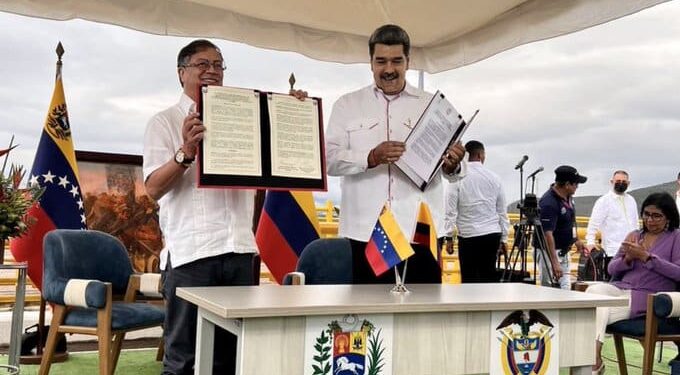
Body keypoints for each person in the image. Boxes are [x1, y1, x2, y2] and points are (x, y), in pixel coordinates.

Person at [143, 39, 306, 375]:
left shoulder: (246, 120)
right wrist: (185, 152)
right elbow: (153, 188)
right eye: (202, 64)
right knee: (183, 359)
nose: (212, 71)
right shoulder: (164, 122)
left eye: (218, 65)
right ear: (181, 73)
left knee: (233, 357)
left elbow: (283, 162)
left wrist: (291, 117)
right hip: (192, 254)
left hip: (240, 252)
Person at [325, 24, 465, 284]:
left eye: (396, 61)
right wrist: (370, 158)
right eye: (381, 61)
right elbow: (328, 161)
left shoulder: (432, 106)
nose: (389, 69)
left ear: (408, 62)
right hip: (365, 231)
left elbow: (458, 171)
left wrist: (453, 165)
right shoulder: (347, 105)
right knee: (369, 318)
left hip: (419, 231)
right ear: (370, 63)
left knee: (423, 317)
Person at [586, 192, 680, 374]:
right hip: (621, 289)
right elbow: (612, 270)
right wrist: (628, 258)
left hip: (650, 297)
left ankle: (594, 360)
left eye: (656, 216)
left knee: (593, 310)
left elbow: (678, 272)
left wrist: (647, 258)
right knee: (594, 290)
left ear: (668, 216)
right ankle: (594, 361)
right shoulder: (634, 235)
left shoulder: (676, 237)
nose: (650, 220)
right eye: (646, 214)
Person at [443, 140, 509, 283]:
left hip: (467, 236)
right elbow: (502, 212)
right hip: (491, 234)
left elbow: (450, 210)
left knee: (469, 279)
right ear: (480, 155)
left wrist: (448, 237)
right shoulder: (495, 178)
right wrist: (504, 238)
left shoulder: (457, 178)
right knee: (489, 277)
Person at [536, 165, 587, 290]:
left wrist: (576, 239)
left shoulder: (569, 197)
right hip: (548, 252)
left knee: (565, 286)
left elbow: (571, 221)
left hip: (564, 250)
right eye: (576, 184)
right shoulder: (549, 203)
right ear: (567, 184)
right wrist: (554, 262)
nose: (577, 187)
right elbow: (547, 234)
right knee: (548, 287)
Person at [584, 170, 639, 280]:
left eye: (624, 181)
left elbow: (636, 223)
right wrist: (590, 242)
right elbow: (593, 224)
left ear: (628, 183)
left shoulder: (631, 200)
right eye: (618, 181)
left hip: (632, 251)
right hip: (613, 251)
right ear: (612, 181)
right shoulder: (604, 201)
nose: (621, 183)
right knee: (614, 283)